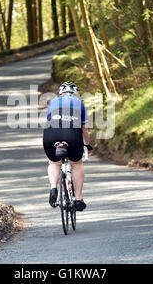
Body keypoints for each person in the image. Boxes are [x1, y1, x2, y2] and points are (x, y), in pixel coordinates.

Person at [42, 81, 92, 211]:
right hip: (72, 135)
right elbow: (84, 129)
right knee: (76, 164)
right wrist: (87, 145)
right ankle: (78, 199)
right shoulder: (78, 103)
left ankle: (53, 187)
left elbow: (50, 120)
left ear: (60, 93)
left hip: (51, 134)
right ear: (75, 93)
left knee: (53, 163)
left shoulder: (53, 102)